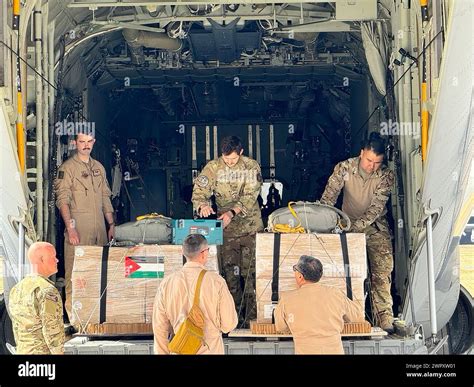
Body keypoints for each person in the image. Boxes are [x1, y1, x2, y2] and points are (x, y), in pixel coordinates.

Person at [320, 132, 395, 332]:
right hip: (346, 226)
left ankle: (384, 319)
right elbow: (328, 199)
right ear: (361, 153)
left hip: (375, 228)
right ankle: (348, 318)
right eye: (369, 160)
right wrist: (326, 224)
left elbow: (375, 210)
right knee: (346, 275)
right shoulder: (344, 168)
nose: (371, 166)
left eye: (377, 163)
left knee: (381, 272)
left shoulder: (386, 176)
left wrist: (354, 228)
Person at [192, 135, 263, 327]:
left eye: (233, 159)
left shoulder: (251, 167)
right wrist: (203, 205)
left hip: (250, 229)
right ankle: (234, 321)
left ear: (241, 152)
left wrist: (232, 212)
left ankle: (253, 321)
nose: (230, 163)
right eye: (226, 159)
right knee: (230, 276)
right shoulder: (213, 168)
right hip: (226, 231)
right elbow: (199, 192)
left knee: (251, 276)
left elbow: (251, 195)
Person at [54, 133, 115, 323]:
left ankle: (96, 317)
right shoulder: (67, 169)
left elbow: (105, 197)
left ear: (94, 142)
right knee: (75, 275)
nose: (86, 145)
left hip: (99, 232)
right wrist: (71, 229)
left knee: (98, 274)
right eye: (82, 142)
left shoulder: (99, 168)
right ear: (75, 143)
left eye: (89, 142)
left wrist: (111, 225)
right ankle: (74, 319)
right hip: (79, 232)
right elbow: (63, 201)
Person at [152, 234, 237, 354]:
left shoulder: (167, 284)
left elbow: (159, 328)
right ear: (204, 253)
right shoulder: (217, 282)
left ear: (183, 252)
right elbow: (228, 324)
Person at [274, 255, 364, 354]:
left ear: (300, 276)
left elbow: (280, 327)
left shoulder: (287, 298)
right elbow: (357, 316)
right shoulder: (336, 293)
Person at [8, 242, 65, 354]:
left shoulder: (16, 289)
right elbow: (52, 332)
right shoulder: (47, 290)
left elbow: (16, 328)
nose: (57, 260)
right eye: (53, 257)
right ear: (42, 260)